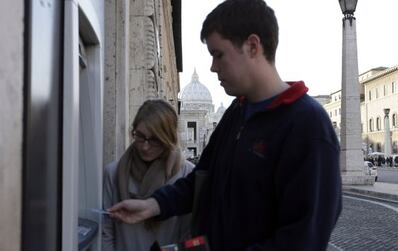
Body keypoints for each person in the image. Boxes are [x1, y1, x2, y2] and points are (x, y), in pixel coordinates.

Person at [109, 0, 342, 250]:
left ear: (252, 46)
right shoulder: (237, 111)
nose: (212, 66)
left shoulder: (308, 126)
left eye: (218, 54)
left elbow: (302, 239)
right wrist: (153, 205)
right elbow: (201, 179)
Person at [102, 99, 194, 251]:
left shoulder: (187, 175)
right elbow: (107, 231)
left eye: (154, 140)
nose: (145, 147)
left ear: (168, 138)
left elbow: (187, 233)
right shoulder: (113, 173)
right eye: (140, 136)